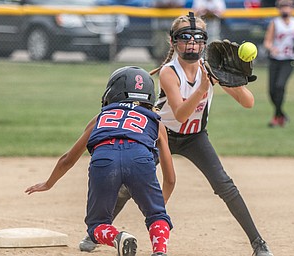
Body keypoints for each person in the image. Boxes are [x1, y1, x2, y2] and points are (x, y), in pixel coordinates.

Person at [80, 12, 274, 256]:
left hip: (195, 137)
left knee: (225, 185)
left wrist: (235, 78)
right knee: (130, 185)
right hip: (162, 136)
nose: (192, 43)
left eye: (198, 38)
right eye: (185, 37)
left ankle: (258, 243)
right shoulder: (169, 72)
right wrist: (204, 87)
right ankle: (94, 231)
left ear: (204, 42)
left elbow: (249, 103)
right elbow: (181, 114)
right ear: (173, 42)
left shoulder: (209, 68)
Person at [25, 66, 176, 256]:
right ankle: (160, 251)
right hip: (140, 159)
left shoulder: (100, 118)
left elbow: (68, 159)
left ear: (112, 93)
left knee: (97, 225)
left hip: (105, 159)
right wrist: (158, 208)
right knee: (157, 217)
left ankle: (117, 237)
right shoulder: (156, 122)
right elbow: (170, 179)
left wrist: (49, 183)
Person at [263, 0, 294, 127]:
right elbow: (267, 41)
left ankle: (276, 117)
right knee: (271, 91)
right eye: (282, 7)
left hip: (289, 59)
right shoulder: (275, 23)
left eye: (287, 6)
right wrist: (272, 48)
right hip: (275, 59)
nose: (285, 9)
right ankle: (281, 115)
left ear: (292, 8)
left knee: (280, 86)